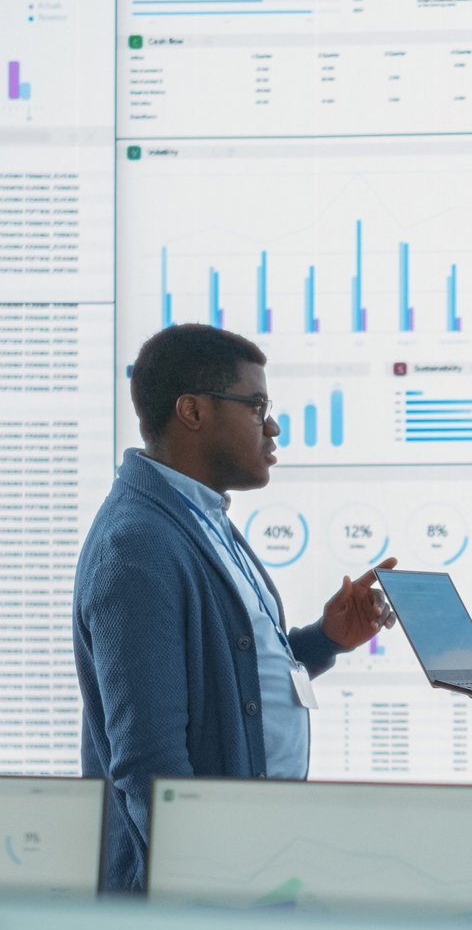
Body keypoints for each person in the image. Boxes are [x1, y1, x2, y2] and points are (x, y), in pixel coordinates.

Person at [74, 324, 396, 892]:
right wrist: (212, 886)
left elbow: (231, 678)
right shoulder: (137, 547)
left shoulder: (203, 518)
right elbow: (150, 762)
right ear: (192, 411)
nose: (272, 427)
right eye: (257, 406)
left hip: (251, 861)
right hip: (199, 892)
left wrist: (324, 639)